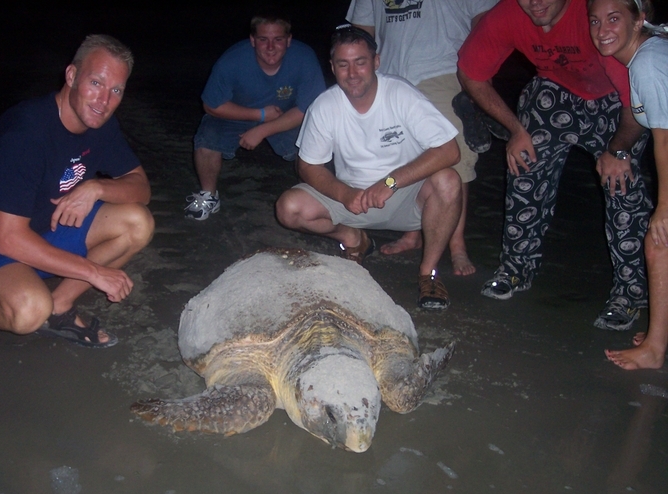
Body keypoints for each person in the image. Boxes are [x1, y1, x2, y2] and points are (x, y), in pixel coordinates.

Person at [0, 34, 155, 369]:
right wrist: (94, 272)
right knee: (27, 311)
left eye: (117, 90)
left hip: (45, 227)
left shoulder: (101, 124)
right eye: (96, 82)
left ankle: (60, 306)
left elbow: (141, 187)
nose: (104, 100)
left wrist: (97, 188)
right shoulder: (25, 133)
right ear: (71, 76)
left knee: (137, 222)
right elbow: (10, 239)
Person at [457, 0, 653, 330]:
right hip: (555, 88)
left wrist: (618, 152)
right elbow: (471, 73)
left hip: (618, 103)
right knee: (524, 165)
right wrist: (515, 130)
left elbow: (637, 102)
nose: (536, 3)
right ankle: (516, 268)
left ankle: (630, 293)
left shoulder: (597, 17)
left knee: (622, 185)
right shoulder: (507, 14)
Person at [275, 25, 462, 310]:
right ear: (333, 67)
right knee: (288, 207)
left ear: (376, 62)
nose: (352, 73)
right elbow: (308, 166)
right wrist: (344, 193)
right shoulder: (324, 106)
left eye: (360, 62)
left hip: (406, 198)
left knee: (449, 180)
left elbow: (450, 150)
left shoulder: (401, 94)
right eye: (343, 64)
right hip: (354, 202)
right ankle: (354, 239)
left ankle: (429, 274)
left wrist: (390, 182)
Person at [346, 0, 499, 276]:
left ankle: (457, 244)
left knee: (453, 160)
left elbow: (484, 18)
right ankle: (413, 232)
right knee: (404, 156)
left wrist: (476, 73)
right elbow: (362, 29)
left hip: (444, 69)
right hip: (389, 73)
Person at [185, 9, 326, 220]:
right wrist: (259, 115)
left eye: (278, 39)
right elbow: (211, 105)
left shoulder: (304, 57)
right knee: (208, 134)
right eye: (263, 39)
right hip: (241, 113)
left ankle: (313, 195)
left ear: (289, 40)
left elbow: (310, 109)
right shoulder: (231, 61)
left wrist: (263, 129)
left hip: (285, 117)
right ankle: (209, 195)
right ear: (252, 40)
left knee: (313, 139)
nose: (270, 47)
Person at [588, 0, 668, 369]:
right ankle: (658, 338)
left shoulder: (649, 61)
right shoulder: (641, 60)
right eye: (595, 20)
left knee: (658, 243)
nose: (602, 28)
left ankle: (654, 348)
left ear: (640, 21)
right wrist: (617, 151)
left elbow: (665, 140)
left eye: (614, 18)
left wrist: (664, 207)